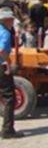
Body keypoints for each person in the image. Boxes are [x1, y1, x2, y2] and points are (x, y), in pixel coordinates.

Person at [0, 8, 22, 139]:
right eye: (11, 19)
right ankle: (8, 129)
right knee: (9, 97)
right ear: (7, 20)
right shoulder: (6, 33)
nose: (13, 21)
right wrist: (8, 63)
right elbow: (2, 49)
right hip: (1, 66)